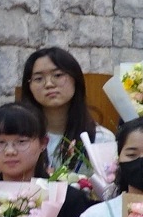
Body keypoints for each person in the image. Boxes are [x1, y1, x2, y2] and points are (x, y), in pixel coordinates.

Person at [19, 46, 111, 177]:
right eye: (39, 78)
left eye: (57, 75)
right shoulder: (16, 138)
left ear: (75, 79)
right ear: (29, 87)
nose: (49, 84)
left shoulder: (101, 139)